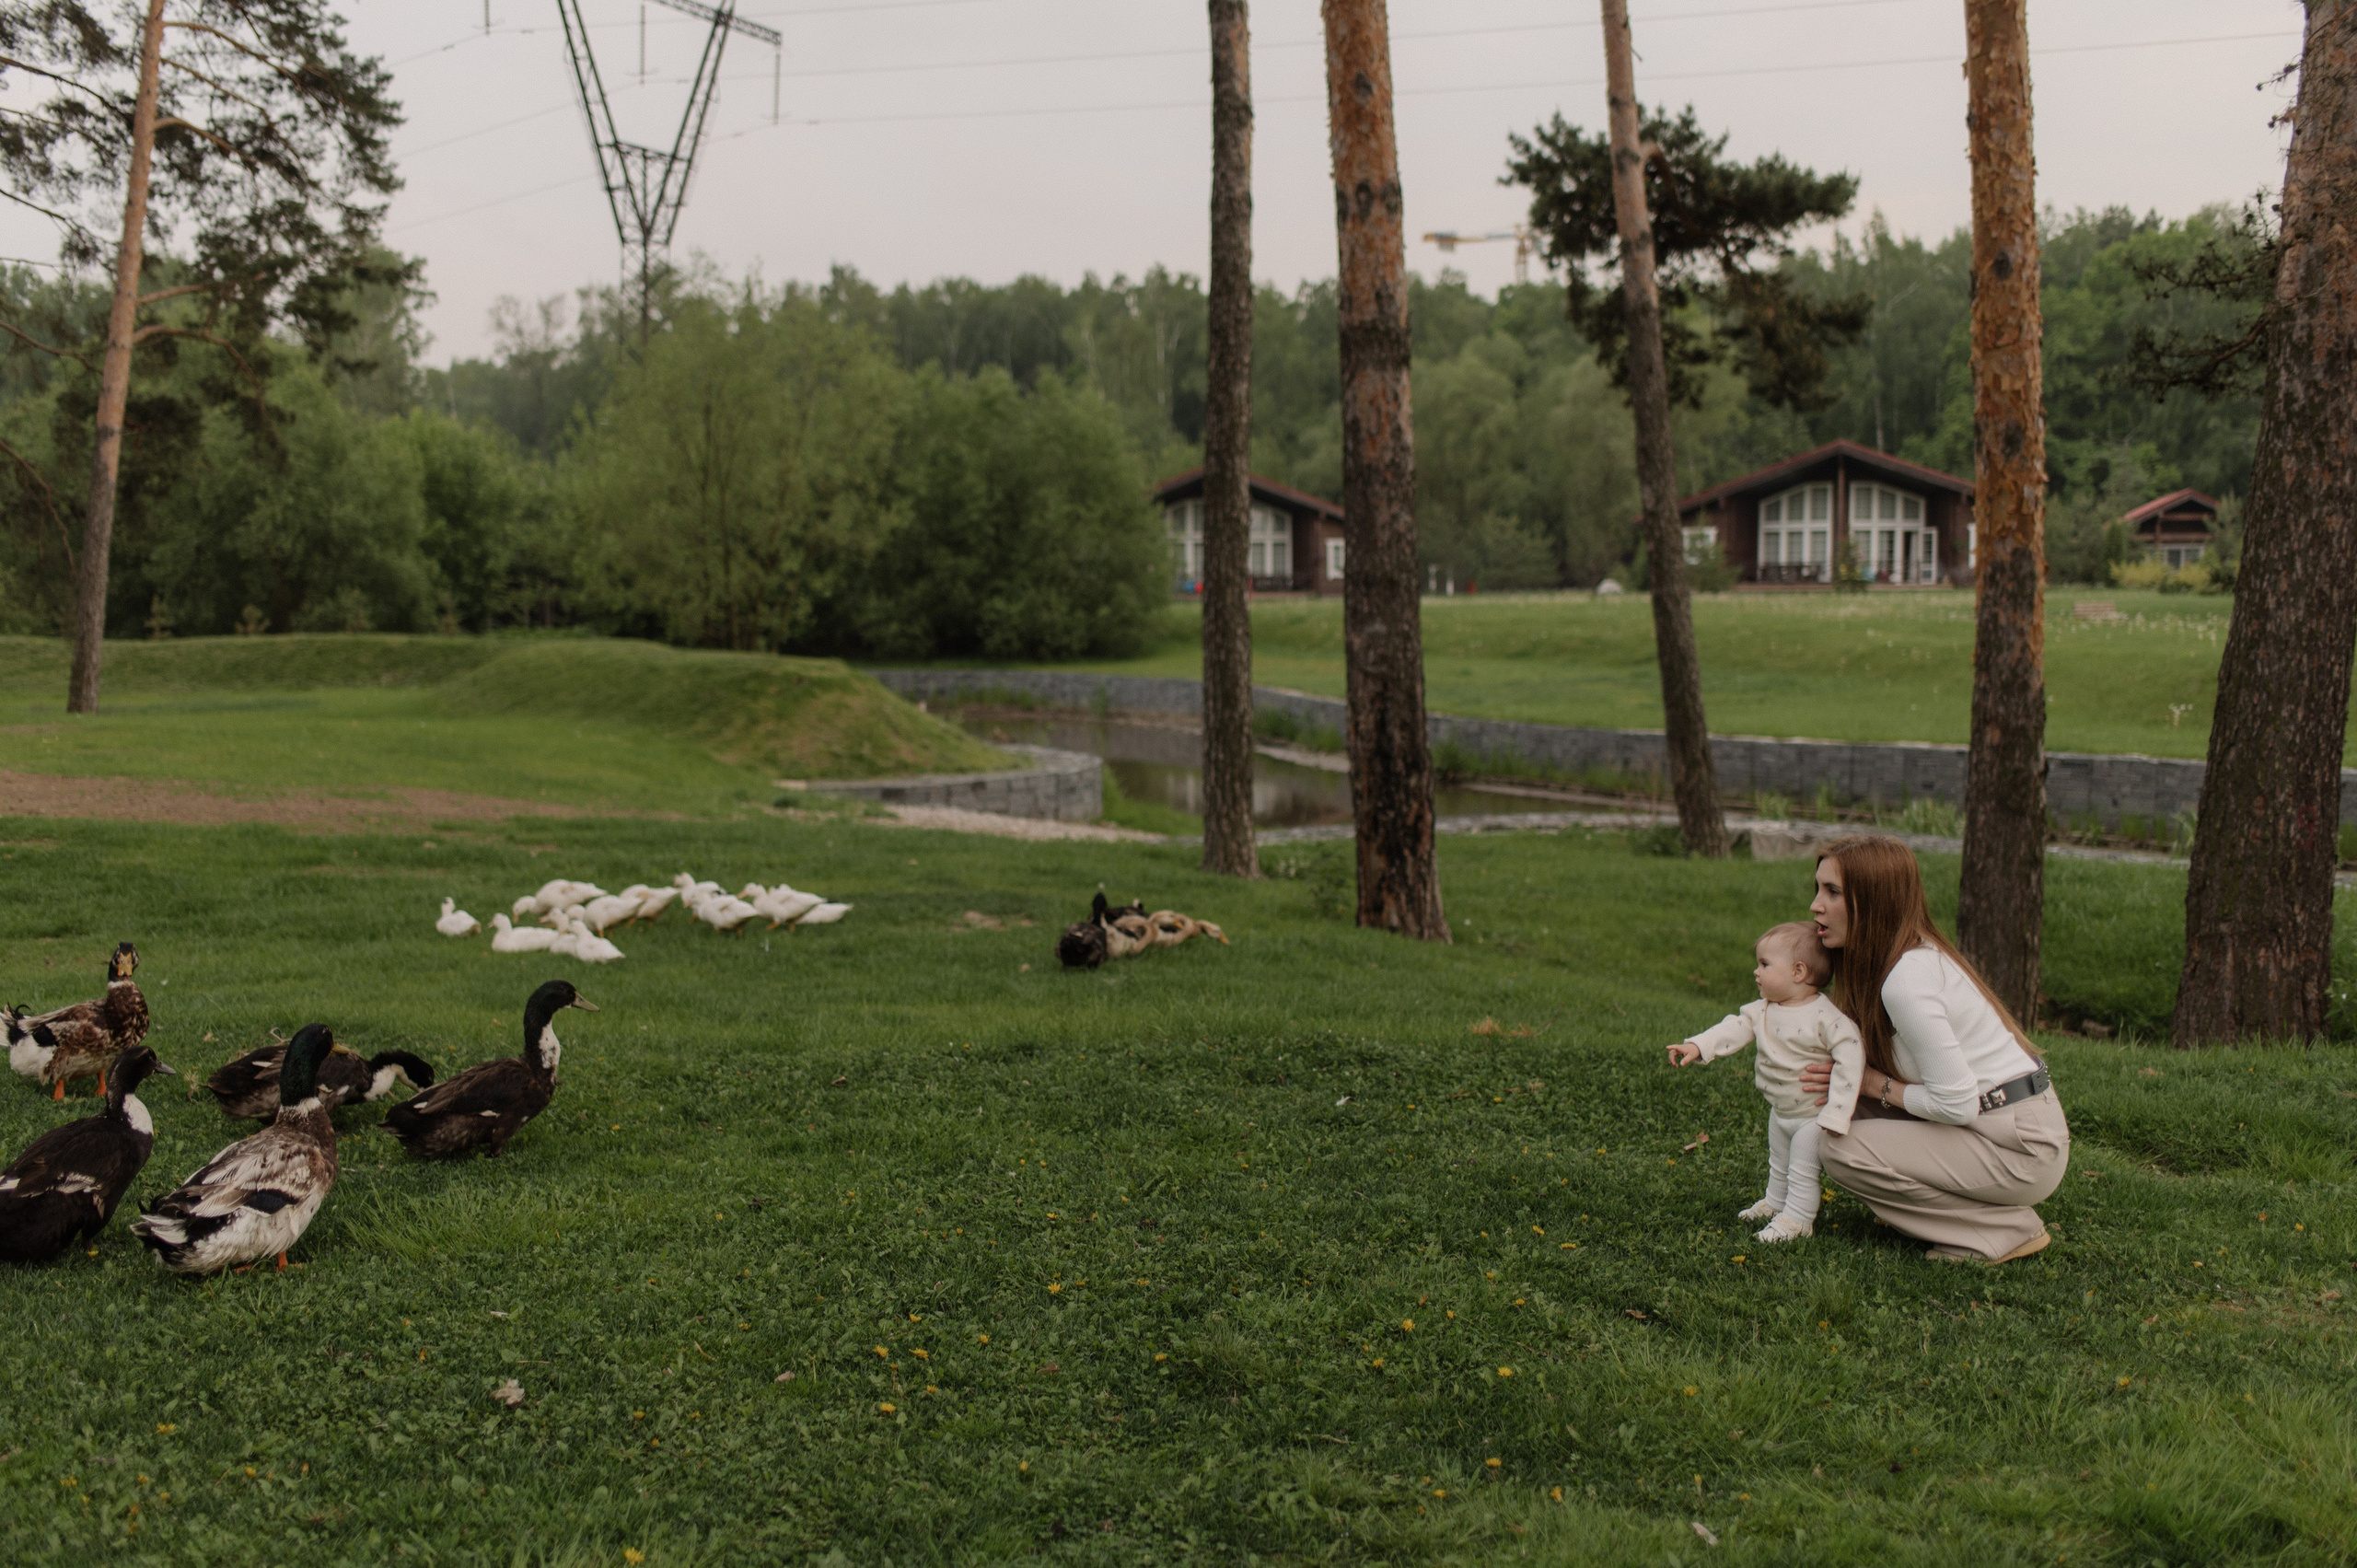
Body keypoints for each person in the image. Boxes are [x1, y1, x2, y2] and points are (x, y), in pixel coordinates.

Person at [1800, 835, 2068, 1264]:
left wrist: (1873, 1084)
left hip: (2021, 1148)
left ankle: (2003, 1231)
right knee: (1836, 1111)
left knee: (1839, 1150)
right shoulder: (1903, 958)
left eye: (1832, 892)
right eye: (1818, 889)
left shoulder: (1908, 979)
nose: (1816, 905)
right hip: (1997, 1125)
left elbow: (1956, 1103)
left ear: (1874, 902)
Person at [1666, 922, 1864, 1244]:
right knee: (1779, 1161)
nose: (1756, 972)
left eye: (1765, 964)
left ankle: (1798, 1220)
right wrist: (1698, 1046)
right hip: (1781, 1109)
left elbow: (1850, 1059)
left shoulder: (1827, 1018)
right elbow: (1734, 1027)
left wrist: (1837, 1114)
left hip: (1812, 1117)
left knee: (1802, 1168)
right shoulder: (1763, 1010)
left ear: (1798, 972)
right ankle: (1775, 1201)